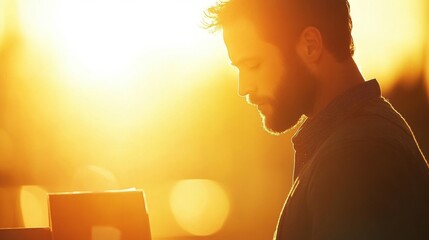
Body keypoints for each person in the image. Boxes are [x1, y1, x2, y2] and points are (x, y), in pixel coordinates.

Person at [203, 0, 429, 239]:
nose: (243, 87)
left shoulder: (357, 154)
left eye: (253, 65)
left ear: (310, 45)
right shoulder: (348, 143)